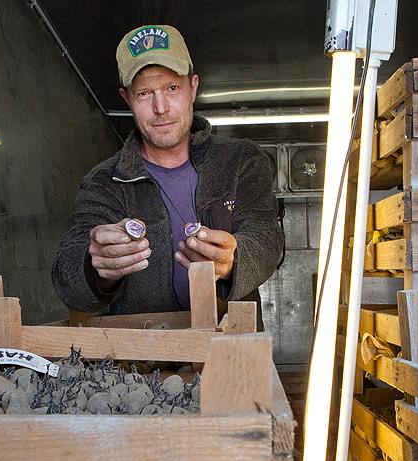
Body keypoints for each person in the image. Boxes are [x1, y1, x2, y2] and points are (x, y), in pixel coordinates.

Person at [51, 24, 283, 327]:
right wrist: (96, 268)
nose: (161, 108)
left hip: (231, 344)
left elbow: (268, 239)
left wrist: (234, 258)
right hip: (141, 363)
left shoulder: (240, 161)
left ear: (193, 86)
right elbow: (66, 275)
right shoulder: (105, 182)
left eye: (172, 88)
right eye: (145, 93)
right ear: (127, 98)